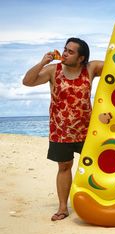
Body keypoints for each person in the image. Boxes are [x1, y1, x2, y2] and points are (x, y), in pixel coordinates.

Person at [23, 37, 104, 221]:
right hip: (60, 131)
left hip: (87, 131)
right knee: (65, 167)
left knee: (95, 166)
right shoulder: (53, 70)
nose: (65, 53)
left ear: (81, 58)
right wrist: (44, 61)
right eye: (65, 50)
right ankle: (63, 208)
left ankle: (97, 201)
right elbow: (28, 81)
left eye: (70, 51)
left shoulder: (90, 69)